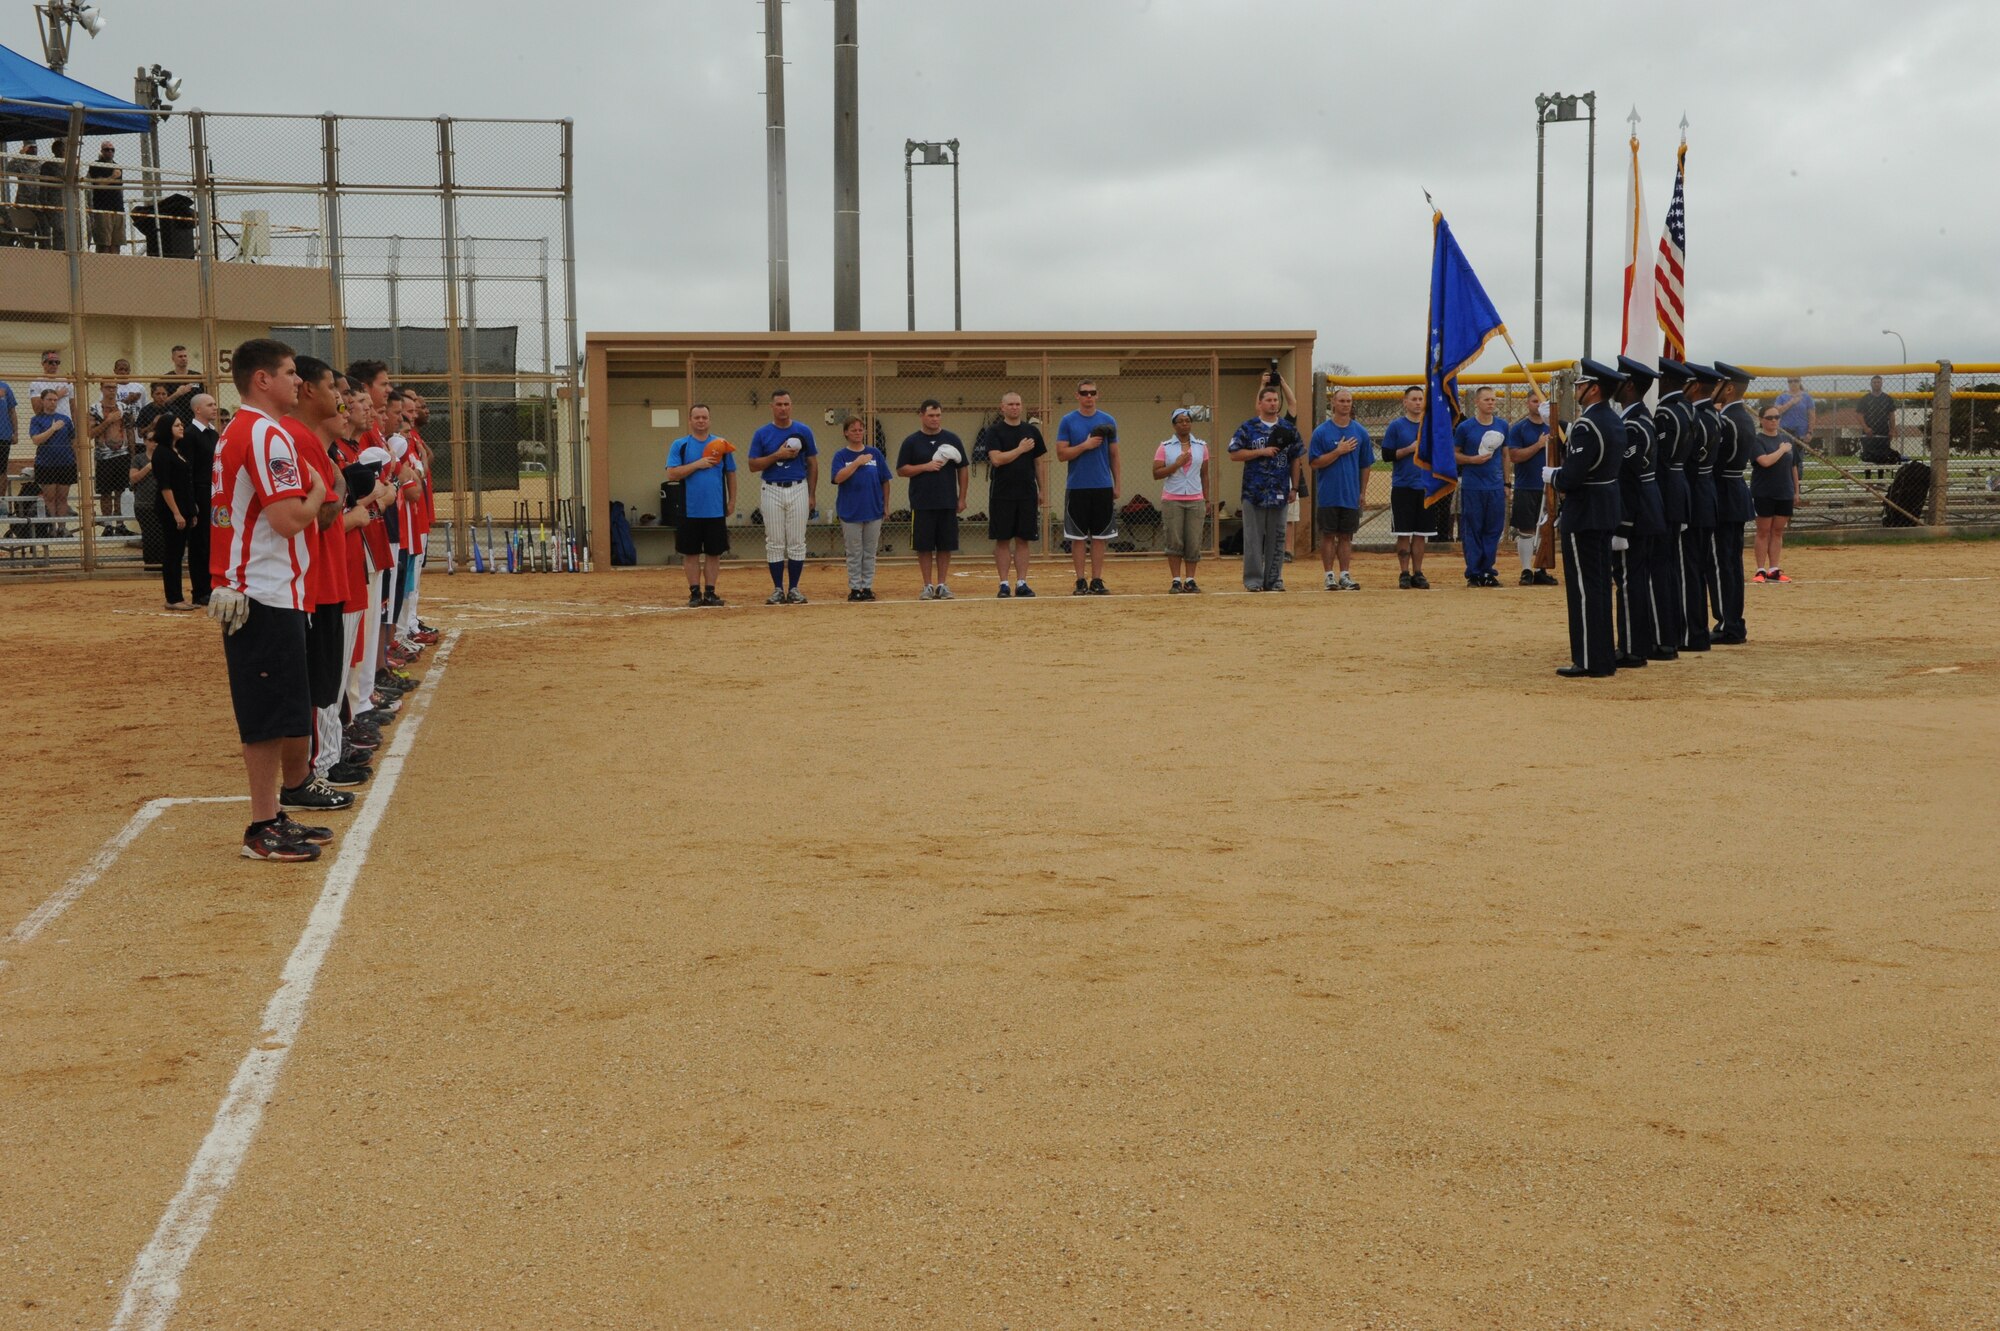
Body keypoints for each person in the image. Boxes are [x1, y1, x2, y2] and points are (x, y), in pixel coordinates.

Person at [207, 337, 353, 862]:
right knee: (267, 717)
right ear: (262, 379)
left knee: (275, 711)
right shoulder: (265, 433)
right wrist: (318, 492)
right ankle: (262, 827)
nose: (298, 381)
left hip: (259, 589)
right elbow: (289, 520)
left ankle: (270, 815)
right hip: (263, 592)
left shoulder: (240, 430)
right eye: (289, 373)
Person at [284, 357, 369, 790]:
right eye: (332, 388)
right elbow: (321, 511)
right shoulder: (297, 439)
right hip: (315, 579)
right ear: (309, 392)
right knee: (321, 676)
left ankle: (329, 757)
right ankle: (319, 764)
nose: (339, 397)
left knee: (330, 675)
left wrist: (334, 483)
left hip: (330, 574)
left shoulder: (308, 441)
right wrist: (334, 484)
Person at [1549, 360, 1626, 678]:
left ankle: (1589, 659)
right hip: (1605, 507)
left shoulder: (1588, 425)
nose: (1576, 389)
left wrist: (1553, 475)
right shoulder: (1613, 420)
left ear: (1593, 389)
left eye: (1580, 385)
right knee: (1597, 585)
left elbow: (1572, 477)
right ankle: (1602, 656)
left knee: (1584, 588)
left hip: (1585, 512)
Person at [1613, 355, 1671, 666]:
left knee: (1628, 581)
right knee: (1638, 578)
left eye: (1619, 382)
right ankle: (1643, 642)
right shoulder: (1641, 418)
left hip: (1635, 511)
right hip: (1648, 507)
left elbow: (1628, 478)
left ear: (1630, 386)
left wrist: (1622, 525)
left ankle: (1632, 648)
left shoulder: (1633, 424)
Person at [1228, 379, 1304, 593]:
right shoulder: (1249, 427)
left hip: (1280, 491)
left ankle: (1274, 579)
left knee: (1277, 538)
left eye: (1275, 400)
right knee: (1253, 538)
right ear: (1260, 403)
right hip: (1253, 492)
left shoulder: (1288, 429)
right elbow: (1234, 453)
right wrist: (1260, 452)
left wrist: (1294, 488)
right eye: (1268, 400)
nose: (1273, 403)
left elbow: (1296, 459)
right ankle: (1253, 580)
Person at [747, 388, 817, 604]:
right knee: (775, 541)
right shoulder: (762, 433)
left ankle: (794, 588)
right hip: (772, 488)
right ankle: (778, 589)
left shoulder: (803, 430)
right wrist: (777, 455)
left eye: (786, 404)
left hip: (798, 487)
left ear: (791, 406)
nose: (783, 408)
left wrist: (811, 494)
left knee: (797, 541)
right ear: (772, 407)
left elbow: (813, 463)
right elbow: (752, 465)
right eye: (779, 404)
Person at [896, 399, 969, 600]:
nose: (935, 419)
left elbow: (963, 468)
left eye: (938, 415)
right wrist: (924, 467)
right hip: (922, 502)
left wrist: (962, 498)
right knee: (924, 545)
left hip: (947, 501)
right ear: (921, 415)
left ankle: (942, 584)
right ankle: (927, 585)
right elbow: (902, 470)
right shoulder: (911, 442)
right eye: (931, 415)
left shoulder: (952, 439)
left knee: (945, 545)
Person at [665, 404, 734, 607]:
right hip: (690, 509)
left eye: (704, 417)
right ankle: (695, 593)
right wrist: (698, 464)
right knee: (691, 553)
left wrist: (731, 501)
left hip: (715, 509)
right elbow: (672, 473)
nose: (701, 421)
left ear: (709, 420)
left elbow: (731, 474)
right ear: (690, 420)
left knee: (714, 553)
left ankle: (710, 593)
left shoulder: (722, 444)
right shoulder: (681, 445)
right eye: (697, 417)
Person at [1709, 362, 1759, 644]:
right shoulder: (1743, 418)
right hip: (1735, 490)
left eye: (1717, 385)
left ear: (1728, 388)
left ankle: (1728, 622)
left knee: (1720, 563)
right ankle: (1732, 621)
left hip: (1723, 493)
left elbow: (1714, 462)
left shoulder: (1726, 421)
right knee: (1731, 562)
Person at [1056, 380, 1119, 594]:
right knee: (1078, 537)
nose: (1088, 397)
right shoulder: (1068, 421)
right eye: (1084, 393)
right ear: (1077, 396)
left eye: (1092, 393)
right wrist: (1085, 445)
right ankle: (1081, 581)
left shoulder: (1108, 420)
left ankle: (1097, 580)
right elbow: (1061, 454)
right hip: (1077, 486)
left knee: (1100, 537)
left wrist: (1116, 484)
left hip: (1102, 485)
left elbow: (1114, 455)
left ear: (1097, 395)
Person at [982, 391, 1046, 597]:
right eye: (1010, 404)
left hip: (1027, 493)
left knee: (1023, 539)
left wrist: (1042, 489)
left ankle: (1021, 583)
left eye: (1017, 404)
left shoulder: (1031, 431)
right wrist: (1019, 449)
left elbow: (1038, 462)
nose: (1014, 407)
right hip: (1002, 493)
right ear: (1002, 407)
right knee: (1002, 540)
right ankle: (1003, 584)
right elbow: (997, 459)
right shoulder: (994, 431)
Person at [1308, 388, 1373, 590]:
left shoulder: (1360, 432)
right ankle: (1329, 576)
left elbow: (1365, 465)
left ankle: (1345, 574)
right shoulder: (1321, 432)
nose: (1345, 404)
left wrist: (1362, 492)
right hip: (1328, 493)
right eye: (1342, 401)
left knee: (1346, 536)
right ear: (1333, 404)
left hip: (1350, 494)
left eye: (1349, 401)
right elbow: (1315, 463)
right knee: (1328, 535)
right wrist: (1338, 451)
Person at [1651, 360, 1695, 653]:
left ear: (1666, 381)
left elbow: (1659, 456)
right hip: (1681, 487)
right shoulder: (1688, 409)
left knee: (1664, 566)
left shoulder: (1666, 413)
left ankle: (1667, 636)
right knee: (1674, 566)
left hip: (1666, 490)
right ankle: (1676, 632)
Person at [1682, 363, 1722, 652]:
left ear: (1695, 386)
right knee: (1697, 566)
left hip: (1695, 498)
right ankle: (1697, 630)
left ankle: (1693, 633)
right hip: (1705, 496)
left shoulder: (1699, 417)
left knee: (1691, 568)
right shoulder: (1712, 415)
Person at [1452, 385, 1509, 586]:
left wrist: (1506, 483)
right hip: (1473, 486)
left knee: (1493, 529)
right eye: (1486, 400)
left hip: (1494, 487)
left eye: (1493, 399)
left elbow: (1504, 454)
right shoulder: (1465, 427)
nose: (1491, 403)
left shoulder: (1502, 425)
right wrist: (1471, 460)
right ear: (1477, 402)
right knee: (1473, 529)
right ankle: (1474, 571)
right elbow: (1454, 454)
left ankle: (1487, 570)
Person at [1152, 406, 1212, 593]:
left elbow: (1204, 475)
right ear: (1174, 425)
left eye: (1187, 421)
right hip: (1173, 499)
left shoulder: (1201, 447)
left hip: (1195, 498)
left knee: (1194, 540)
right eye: (1180, 421)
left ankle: (1191, 579)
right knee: (1174, 539)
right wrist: (1175, 465)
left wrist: (1206, 499)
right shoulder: (1165, 447)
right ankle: (1176, 580)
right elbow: (1156, 473)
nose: (1184, 424)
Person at [830, 414, 890, 601]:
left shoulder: (875, 454)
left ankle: (867, 587)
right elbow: (837, 478)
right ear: (846, 433)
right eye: (853, 430)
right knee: (854, 551)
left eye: (860, 429)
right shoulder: (841, 455)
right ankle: (855, 587)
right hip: (850, 511)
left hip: (873, 509)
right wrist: (856, 462)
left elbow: (885, 480)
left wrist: (886, 505)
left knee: (870, 552)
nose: (857, 433)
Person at [1381, 385, 1431, 588]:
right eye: (1414, 399)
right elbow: (1386, 455)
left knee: (1421, 533)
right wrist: (1409, 449)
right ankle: (1404, 572)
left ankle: (1418, 572)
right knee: (1403, 532)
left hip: (1425, 487)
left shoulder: (1429, 426)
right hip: (1403, 486)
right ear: (1405, 402)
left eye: (1421, 399)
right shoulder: (1396, 426)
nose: (1418, 402)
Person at [1505, 393, 1557, 585]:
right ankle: (1526, 569)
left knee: (1545, 528)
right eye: (1534, 401)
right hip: (1526, 485)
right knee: (1526, 528)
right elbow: (1515, 456)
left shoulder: (1553, 427)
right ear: (1527, 403)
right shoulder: (1519, 428)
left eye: (1541, 402)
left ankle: (1540, 568)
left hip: (1548, 485)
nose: (1538, 405)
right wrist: (1538, 445)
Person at [149, 412, 196, 608]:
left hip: (183, 506)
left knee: (178, 553)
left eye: (181, 424)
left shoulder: (177, 450)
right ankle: (174, 598)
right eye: (177, 425)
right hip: (170, 509)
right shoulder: (161, 453)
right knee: (173, 553)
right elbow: (165, 486)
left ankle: (177, 596)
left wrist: (191, 510)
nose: (181, 427)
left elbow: (185, 483)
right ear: (167, 428)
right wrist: (176, 512)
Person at [1751, 404, 1801, 584]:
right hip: (1764, 492)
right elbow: (1764, 461)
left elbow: (1793, 467)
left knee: (1778, 531)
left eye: (1777, 417)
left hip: (1784, 491)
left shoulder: (1787, 440)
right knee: (1763, 531)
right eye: (1769, 417)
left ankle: (1774, 568)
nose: (1774, 421)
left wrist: (1796, 491)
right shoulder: (1757, 440)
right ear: (1761, 419)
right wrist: (1781, 449)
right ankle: (1760, 570)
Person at [184, 393, 220, 605]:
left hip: (215, 492)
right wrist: (192, 503)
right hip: (199, 492)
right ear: (198, 409)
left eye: (215, 404)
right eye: (210, 405)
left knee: (213, 542)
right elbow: (188, 471)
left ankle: (212, 585)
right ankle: (200, 591)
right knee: (199, 543)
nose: (214, 408)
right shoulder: (190, 435)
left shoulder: (213, 434)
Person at [87, 378, 133, 534]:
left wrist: (132, 453)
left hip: (123, 454)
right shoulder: (94, 408)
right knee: (105, 492)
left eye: (114, 387)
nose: (111, 390)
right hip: (103, 456)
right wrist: (108, 421)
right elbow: (91, 433)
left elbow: (130, 430)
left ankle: (120, 524)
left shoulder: (124, 408)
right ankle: (107, 525)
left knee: (121, 490)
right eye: (108, 387)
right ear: (101, 388)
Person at [29, 388, 75, 529]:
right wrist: (53, 429)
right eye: (49, 399)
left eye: (55, 400)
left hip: (65, 463)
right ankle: (51, 528)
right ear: (42, 401)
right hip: (46, 464)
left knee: (62, 498)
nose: (52, 402)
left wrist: (76, 460)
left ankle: (62, 528)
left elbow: (73, 440)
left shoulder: (65, 419)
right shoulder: (37, 420)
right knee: (49, 498)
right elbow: (36, 439)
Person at [85, 142, 124, 253]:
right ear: (102, 151)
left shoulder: (117, 166)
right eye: (107, 149)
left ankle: (115, 266)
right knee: (104, 243)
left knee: (117, 242)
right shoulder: (96, 165)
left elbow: (119, 187)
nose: (110, 152)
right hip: (102, 207)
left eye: (112, 150)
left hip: (118, 208)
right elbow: (98, 184)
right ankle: (103, 265)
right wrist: (112, 177)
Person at [1855, 374, 1898, 466]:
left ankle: (1880, 479)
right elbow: (1859, 415)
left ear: (1882, 383)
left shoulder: (1887, 398)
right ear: (1871, 384)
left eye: (1878, 382)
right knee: (1868, 458)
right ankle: (1867, 479)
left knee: (1882, 458)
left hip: (1883, 432)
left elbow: (1891, 415)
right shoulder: (1865, 399)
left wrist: (1892, 430)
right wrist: (1866, 428)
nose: (1876, 384)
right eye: (1874, 382)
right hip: (1869, 433)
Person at [164, 345, 206, 424]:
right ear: (173, 359)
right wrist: (177, 394)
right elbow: (163, 403)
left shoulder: (197, 376)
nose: (183, 358)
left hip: (195, 416)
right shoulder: (167, 378)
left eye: (185, 356)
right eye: (180, 356)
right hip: (175, 418)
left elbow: (204, 397)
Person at [30, 349, 73, 421]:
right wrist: (57, 395)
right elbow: (37, 410)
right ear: (43, 363)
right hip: (46, 423)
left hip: (65, 423)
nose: (54, 365)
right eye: (51, 362)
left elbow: (73, 408)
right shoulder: (36, 383)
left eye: (57, 362)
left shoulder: (66, 381)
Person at [1773, 376, 1815, 443]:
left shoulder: (1807, 397)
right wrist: (1791, 402)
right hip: (1785, 431)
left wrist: (1810, 432)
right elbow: (1777, 412)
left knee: (1799, 453)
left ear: (1800, 381)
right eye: (1790, 381)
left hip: (1802, 432)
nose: (1793, 383)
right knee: (1786, 452)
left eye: (1796, 381)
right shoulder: (1781, 397)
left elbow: (1812, 416)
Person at [0, 376, 15, 479]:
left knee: (2, 470)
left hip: (3, 435)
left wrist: (15, 433)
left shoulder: (5, 386)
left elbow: (12, 411)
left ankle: (1, 495)